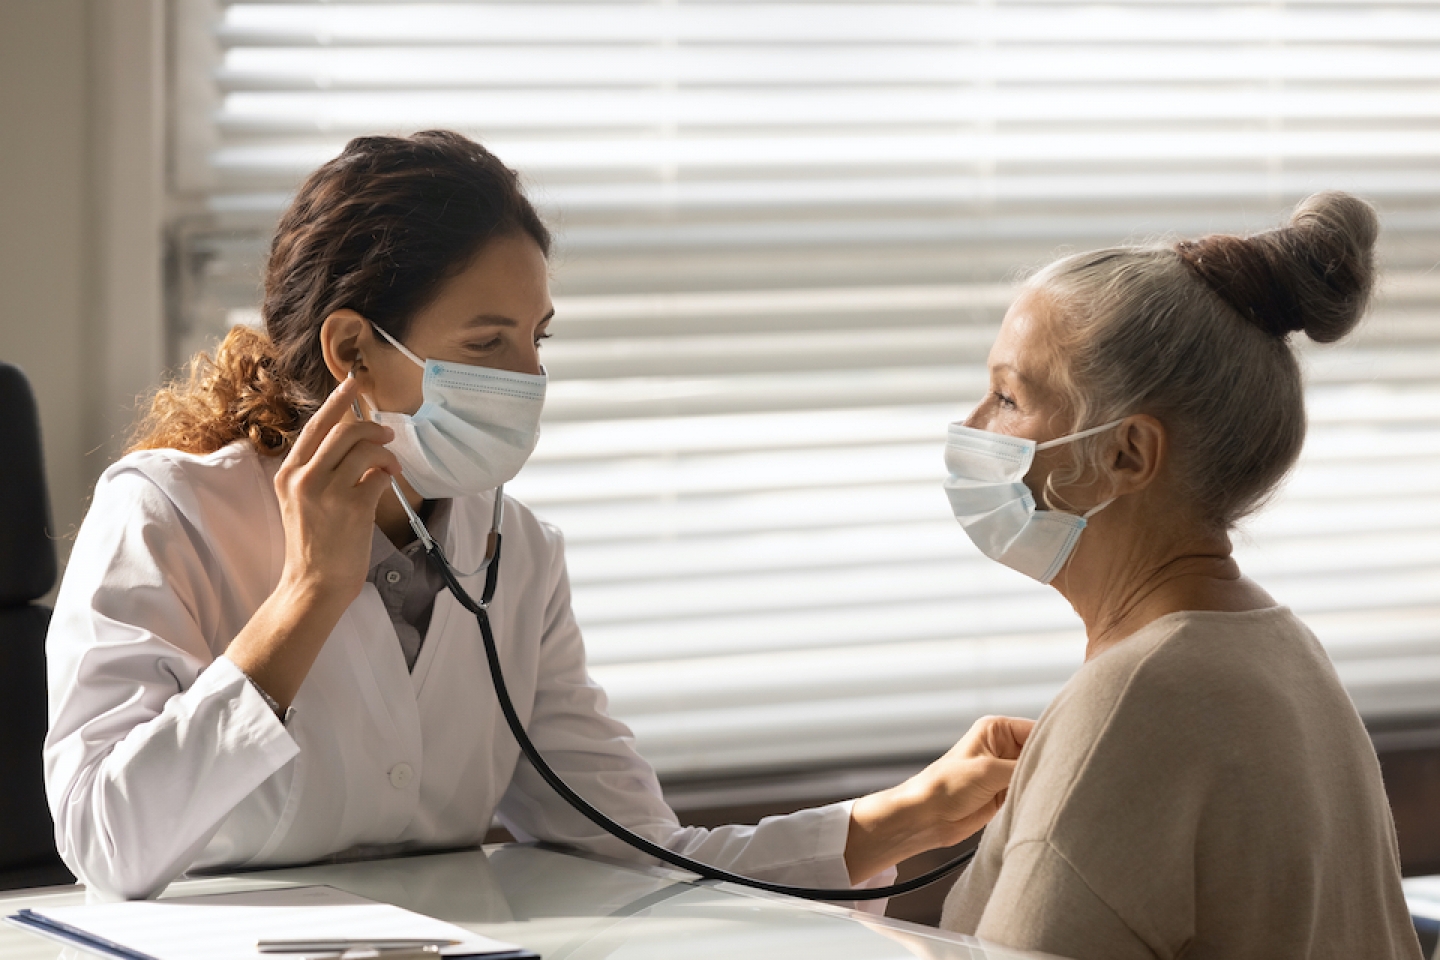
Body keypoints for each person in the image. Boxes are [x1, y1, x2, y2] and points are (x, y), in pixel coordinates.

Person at [44, 130, 1031, 902]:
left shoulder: (515, 552)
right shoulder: (166, 517)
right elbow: (106, 846)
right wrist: (305, 600)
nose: (531, 378)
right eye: (488, 341)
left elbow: (640, 858)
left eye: (536, 339)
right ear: (353, 350)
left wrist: (902, 818)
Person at [937, 192, 1421, 958]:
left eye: (1008, 397)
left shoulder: (1134, 702)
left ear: (1126, 454)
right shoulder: (1279, 650)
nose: (969, 429)